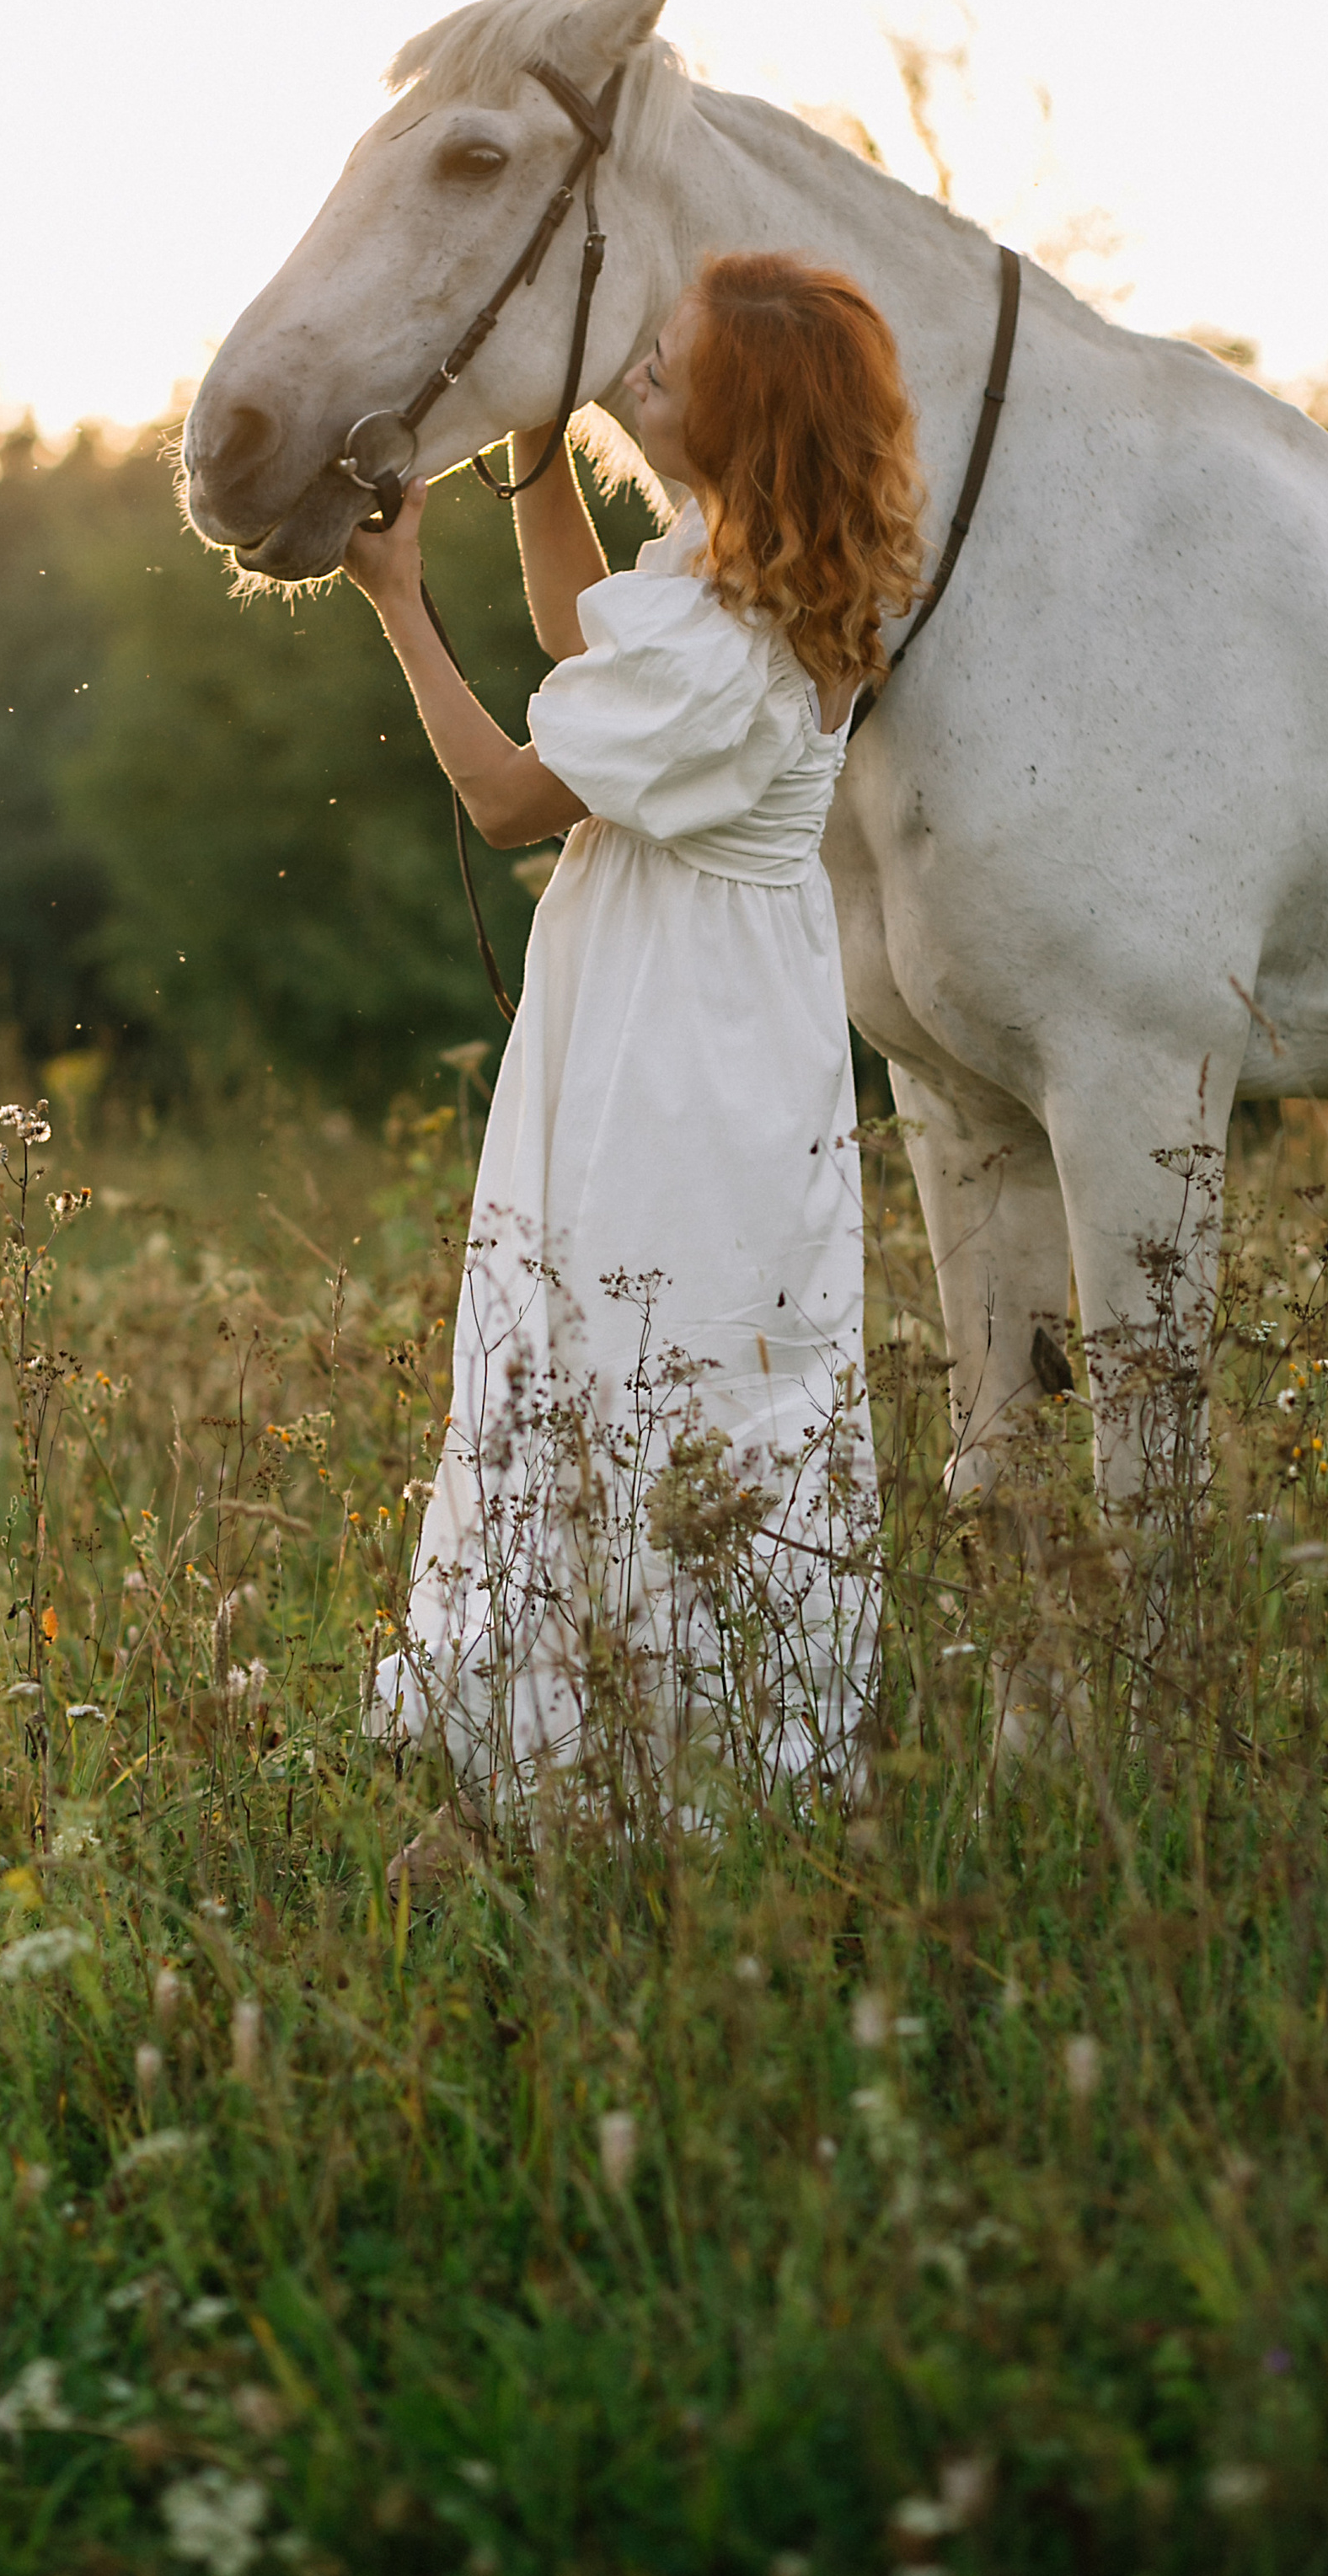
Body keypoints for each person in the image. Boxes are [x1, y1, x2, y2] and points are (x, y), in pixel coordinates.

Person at [345, 252, 928, 1856]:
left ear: (737, 427)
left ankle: (628, 1773)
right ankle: (661, 1742)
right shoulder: (746, 576)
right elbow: (576, 631)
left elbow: (512, 801)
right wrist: (538, 438)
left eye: (660, 375)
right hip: (720, 1008)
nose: (634, 384)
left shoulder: (726, 646)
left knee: (635, 1357)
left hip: (676, 1045)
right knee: (702, 1361)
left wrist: (398, 600)